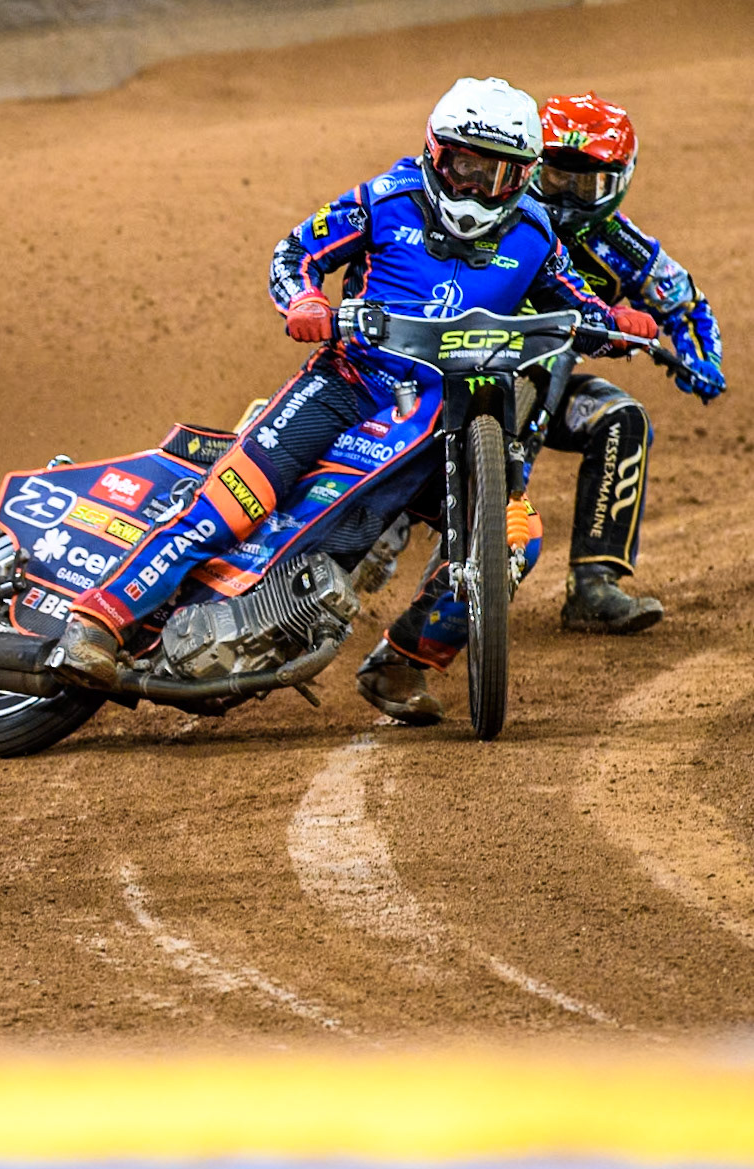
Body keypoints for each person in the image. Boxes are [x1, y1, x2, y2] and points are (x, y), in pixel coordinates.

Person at [54, 77, 655, 687]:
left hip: (448, 411)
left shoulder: (534, 232)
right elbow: (295, 253)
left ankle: (402, 663)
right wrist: (304, 302)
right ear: (435, 152)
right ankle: (97, 622)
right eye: (462, 164)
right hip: (348, 383)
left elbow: (576, 303)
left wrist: (617, 325)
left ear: (523, 177)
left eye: (494, 173)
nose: (473, 186)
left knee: (511, 544)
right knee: (229, 506)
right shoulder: (385, 199)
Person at [356, 91, 724, 725]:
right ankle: (375, 532)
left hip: (544, 385)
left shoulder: (623, 246)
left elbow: (686, 303)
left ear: (620, 182)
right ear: (528, 166)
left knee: (620, 417)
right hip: (444, 372)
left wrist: (701, 358)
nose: (573, 195)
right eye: (559, 176)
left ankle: (594, 584)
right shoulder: (499, 214)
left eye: (591, 183)